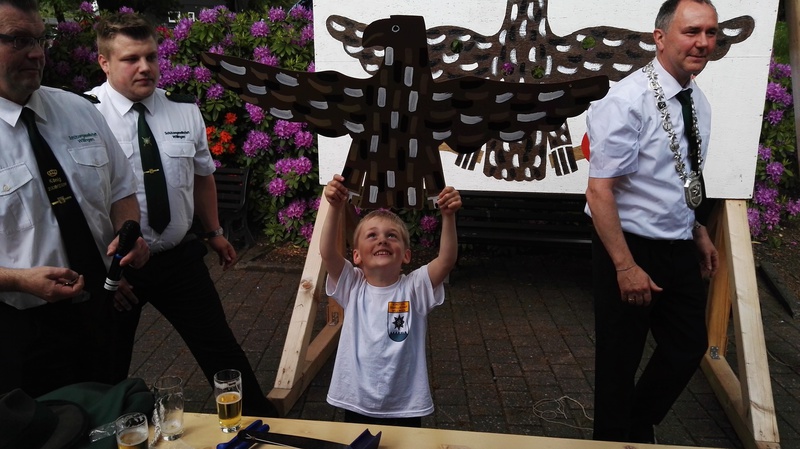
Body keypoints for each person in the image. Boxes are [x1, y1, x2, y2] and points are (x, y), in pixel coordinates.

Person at [88, 12, 277, 417]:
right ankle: (100, 432)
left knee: (220, 348)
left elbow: (202, 177)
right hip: (118, 269)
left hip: (178, 258)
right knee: (106, 363)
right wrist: (103, 270)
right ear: (104, 62)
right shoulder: (85, 116)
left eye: (151, 56)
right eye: (130, 59)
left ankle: (259, 422)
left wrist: (214, 231)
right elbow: (80, 202)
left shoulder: (183, 110)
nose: (145, 67)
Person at [584, 0, 720, 443]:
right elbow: (599, 191)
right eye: (691, 31)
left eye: (711, 32)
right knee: (618, 363)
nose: (703, 42)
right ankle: (614, 437)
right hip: (628, 245)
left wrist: (697, 229)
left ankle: (636, 425)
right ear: (659, 37)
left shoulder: (697, 101)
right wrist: (625, 266)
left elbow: (680, 175)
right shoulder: (627, 100)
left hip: (678, 243)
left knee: (688, 346)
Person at [0, 0, 149, 397]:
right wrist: (18, 280)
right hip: (20, 329)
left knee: (108, 411)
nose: (37, 53)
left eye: (40, 39)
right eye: (19, 40)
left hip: (102, 308)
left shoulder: (79, 110)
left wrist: (128, 233)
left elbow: (121, 190)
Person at [321, 174, 461, 427]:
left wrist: (448, 216)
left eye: (392, 236)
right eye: (372, 235)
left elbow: (446, 260)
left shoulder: (414, 288)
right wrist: (335, 207)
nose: (382, 239)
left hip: (405, 405)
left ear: (406, 255)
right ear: (356, 256)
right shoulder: (352, 285)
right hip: (356, 400)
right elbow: (328, 253)